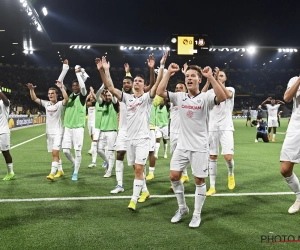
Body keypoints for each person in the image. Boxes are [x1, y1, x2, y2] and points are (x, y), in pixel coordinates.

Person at [156, 63, 226, 228]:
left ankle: (196, 214)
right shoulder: (180, 97)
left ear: (199, 80)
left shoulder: (205, 98)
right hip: (182, 145)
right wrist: (169, 73)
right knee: (174, 176)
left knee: (199, 180)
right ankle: (182, 208)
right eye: (187, 76)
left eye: (193, 76)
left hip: (200, 147)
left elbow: (222, 97)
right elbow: (159, 92)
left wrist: (211, 77)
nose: (189, 78)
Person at [96, 52, 166, 210]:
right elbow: (110, 88)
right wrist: (104, 70)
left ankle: (133, 199)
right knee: (136, 167)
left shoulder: (147, 98)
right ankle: (145, 191)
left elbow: (157, 83)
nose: (136, 83)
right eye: (135, 80)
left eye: (140, 81)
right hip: (129, 139)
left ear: (144, 85)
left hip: (143, 139)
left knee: (139, 168)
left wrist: (156, 66)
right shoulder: (127, 98)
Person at [202, 68, 235, 196]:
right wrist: (211, 80)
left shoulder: (231, 89)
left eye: (221, 76)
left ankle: (231, 174)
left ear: (225, 78)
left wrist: (216, 81)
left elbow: (226, 96)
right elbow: (199, 97)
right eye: (218, 75)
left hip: (226, 127)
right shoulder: (210, 93)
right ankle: (212, 186)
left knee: (228, 157)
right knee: (212, 157)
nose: (219, 77)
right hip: (212, 128)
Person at [26, 80, 68, 180]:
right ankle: (60, 171)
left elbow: (66, 99)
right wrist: (31, 90)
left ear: (57, 95)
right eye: (49, 94)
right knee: (55, 153)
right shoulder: (46, 104)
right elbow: (34, 98)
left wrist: (62, 87)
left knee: (54, 153)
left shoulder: (60, 105)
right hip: (49, 133)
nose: (50, 95)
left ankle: (52, 173)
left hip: (58, 132)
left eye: (52, 93)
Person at [62, 65, 88, 181]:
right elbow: (60, 84)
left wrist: (78, 74)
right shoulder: (70, 96)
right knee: (66, 151)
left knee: (77, 151)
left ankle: (76, 172)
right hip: (68, 127)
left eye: (77, 85)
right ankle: (74, 163)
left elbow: (83, 88)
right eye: (73, 85)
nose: (75, 87)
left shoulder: (82, 96)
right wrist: (65, 68)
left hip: (78, 128)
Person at [279, 76, 300, 214]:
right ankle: (299, 196)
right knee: (285, 169)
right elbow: (286, 98)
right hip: (296, 127)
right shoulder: (294, 80)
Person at [169, 81, 189, 190]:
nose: (178, 89)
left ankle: (181, 176)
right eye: (176, 87)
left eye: (181, 88)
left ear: (185, 90)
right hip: (173, 132)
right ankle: (184, 175)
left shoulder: (188, 99)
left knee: (183, 155)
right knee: (174, 154)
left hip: (183, 133)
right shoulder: (173, 100)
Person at [96, 88, 119, 178]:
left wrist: (110, 90)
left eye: (109, 95)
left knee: (111, 152)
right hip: (102, 131)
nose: (108, 97)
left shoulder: (114, 104)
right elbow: (97, 95)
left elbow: (113, 98)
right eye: (106, 96)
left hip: (112, 132)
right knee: (98, 150)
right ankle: (109, 163)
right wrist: (102, 87)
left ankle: (109, 171)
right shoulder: (102, 104)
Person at [0, 89, 15, 181]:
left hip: (3, 132)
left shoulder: (4, 103)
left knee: (5, 152)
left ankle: (10, 172)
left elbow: (6, 101)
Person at [86, 87, 97, 156]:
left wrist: (93, 93)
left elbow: (97, 99)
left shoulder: (97, 103)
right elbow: (84, 101)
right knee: (91, 136)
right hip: (89, 122)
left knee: (94, 135)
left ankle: (92, 149)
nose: (91, 98)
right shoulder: (89, 104)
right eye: (91, 97)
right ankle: (94, 147)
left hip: (95, 122)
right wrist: (89, 94)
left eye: (92, 97)